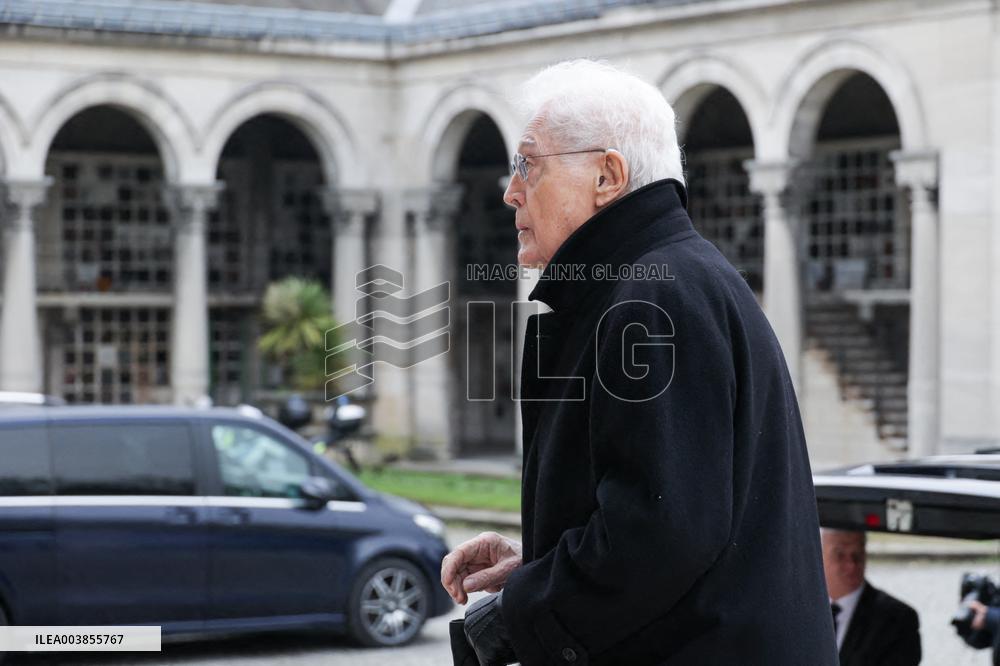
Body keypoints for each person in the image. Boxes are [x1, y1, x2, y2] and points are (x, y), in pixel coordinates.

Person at [440, 58, 838, 666]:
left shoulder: (655, 297)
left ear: (607, 176)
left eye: (528, 164)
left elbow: (661, 534)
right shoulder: (659, 282)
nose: (510, 190)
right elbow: (670, 511)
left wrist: (522, 612)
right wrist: (541, 564)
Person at [821, 528, 921, 665]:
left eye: (857, 554)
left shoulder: (897, 620)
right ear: (818, 558)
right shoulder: (796, 611)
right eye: (840, 555)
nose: (851, 565)